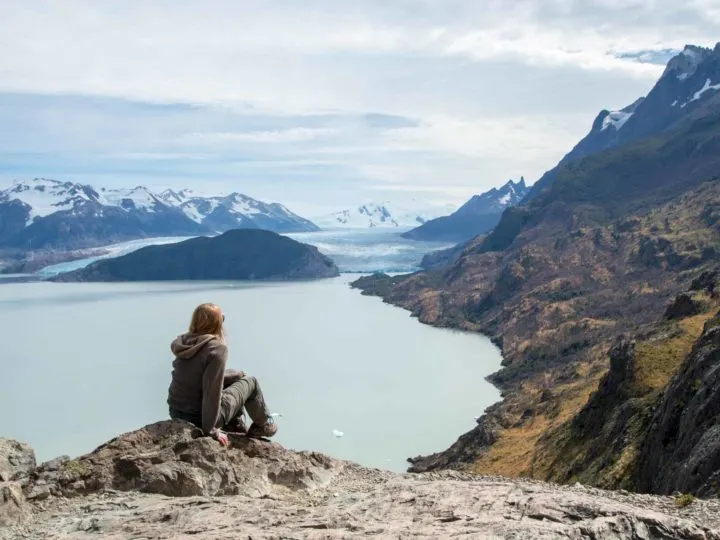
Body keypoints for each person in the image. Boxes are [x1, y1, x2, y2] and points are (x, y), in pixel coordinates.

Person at [167, 303, 277, 446]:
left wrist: (235, 375)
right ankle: (262, 426)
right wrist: (211, 431)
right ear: (216, 323)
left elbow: (197, 377)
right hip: (199, 419)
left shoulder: (184, 342)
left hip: (176, 412)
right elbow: (211, 393)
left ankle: (233, 425)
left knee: (236, 377)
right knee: (251, 382)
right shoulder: (217, 349)